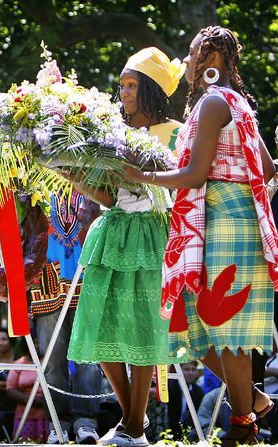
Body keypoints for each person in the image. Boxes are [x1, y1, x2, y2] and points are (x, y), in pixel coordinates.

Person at [124, 27, 278, 446]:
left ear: (210, 58)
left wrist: (139, 175)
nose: (187, 64)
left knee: (224, 328)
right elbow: (265, 169)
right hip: (229, 216)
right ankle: (254, 403)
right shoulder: (235, 102)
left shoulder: (213, 103)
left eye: (192, 56)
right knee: (194, 323)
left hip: (224, 219)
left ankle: (243, 425)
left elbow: (193, 175)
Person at [68, 46, 185, 447]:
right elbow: (109, 196)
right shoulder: (113, 133)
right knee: (101, 327)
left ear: (151, 89)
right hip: (114, 233)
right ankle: (132, 422)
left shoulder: (177, 131)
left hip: (154, 235)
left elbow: (182, 185)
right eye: (122, 85)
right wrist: (75, 178)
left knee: (143, 332)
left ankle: (133, 427)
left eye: (132, 85)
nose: (124, 93)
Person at [35, 191, 103, 444]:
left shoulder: (91, 172)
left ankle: (87, 422)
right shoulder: (36, 171)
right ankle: (58, 423)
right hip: (46, 276)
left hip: (87, 274)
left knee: (89, 357)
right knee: (54, 360)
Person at [5, 342, 50, 442]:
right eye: (34, 343)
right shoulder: (18, 364)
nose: (37, 346)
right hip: (25, 414)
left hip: (48, 413)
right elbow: (10, 388)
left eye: (39, 342)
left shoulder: (50, 362)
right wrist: (31, 400)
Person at [168, 361, 205, 438]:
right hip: (169, 432)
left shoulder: (198, 392)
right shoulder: (170, 388)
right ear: (180, 371)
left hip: (188, 434)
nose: (190, 373)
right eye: (187, 369)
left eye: (193, 370)